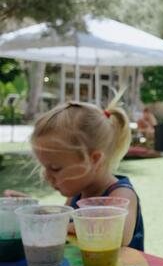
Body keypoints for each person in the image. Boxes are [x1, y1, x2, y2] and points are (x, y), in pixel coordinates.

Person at [3, 101, 144, 250]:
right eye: (45, 167)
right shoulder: (78, 193)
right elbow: (63, 221)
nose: (46, 176)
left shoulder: (121, 194)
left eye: (55, 168)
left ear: (94, 160)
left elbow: (118, 235)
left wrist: (62, 225)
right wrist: (33, 209)